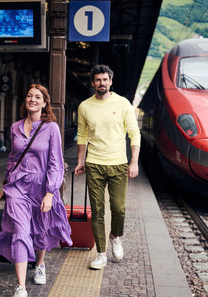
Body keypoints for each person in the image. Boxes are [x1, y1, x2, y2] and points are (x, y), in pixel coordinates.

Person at [0, 84, 72, 297]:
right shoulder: (15, 127)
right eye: (29, 96)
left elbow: (56, 163)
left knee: (40, 229)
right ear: (25, 101)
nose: (32, 99)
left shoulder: (51, 128)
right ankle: (21, 287)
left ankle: (41, 264)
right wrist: (6, 183)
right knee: (20, 230)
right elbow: (12, 158)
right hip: (17, 186)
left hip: (41, 186)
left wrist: (50, 192)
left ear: (45, 103)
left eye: (37, 97)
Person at [74, 64, 141, 270]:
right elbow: (83, 136)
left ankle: (115, 236)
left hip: (118, 164)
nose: (101, 83)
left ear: (110, 81)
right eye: (97, 80)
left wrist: (134, 161)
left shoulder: (123, 104)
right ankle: (101, 254)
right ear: (93, 83)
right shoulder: (85, 106)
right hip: (94, 164)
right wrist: (80, 161)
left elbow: (134, 133)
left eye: (105, 80)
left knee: (119, 208)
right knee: (97, 210)